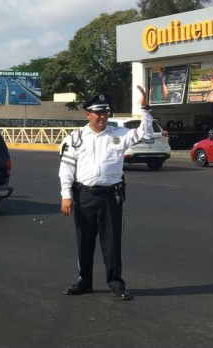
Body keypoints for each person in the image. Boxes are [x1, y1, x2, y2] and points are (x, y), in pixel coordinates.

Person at [58, 85, 152, 301]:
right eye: (98, 112)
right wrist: (66, 195)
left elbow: (145, 132)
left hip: (111, 196)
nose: (103, 116)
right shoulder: (76, 138)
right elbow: (66, 168)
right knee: (85, 241)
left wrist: (144, 108)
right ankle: (85, 282)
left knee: (111, 242)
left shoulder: (119, 134)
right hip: (84, 196)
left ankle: (116, 283)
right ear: (87, 114)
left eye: (106, 112)